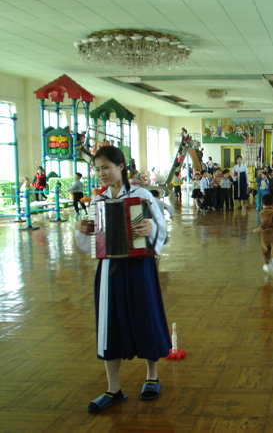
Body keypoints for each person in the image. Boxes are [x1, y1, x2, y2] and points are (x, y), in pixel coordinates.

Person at [74, 145, 170, 413]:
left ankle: (152, 376)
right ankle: (113, 389)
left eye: (106, 167)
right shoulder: (97, 202)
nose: (101, 173)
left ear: (121, 167)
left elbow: (160, 230)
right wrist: (80, 228)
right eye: (97, 169)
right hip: (109, 269)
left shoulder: (141, 196)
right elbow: (87, 244)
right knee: (109, 322)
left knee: (146, 316)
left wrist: (151, 227)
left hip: (139, 266)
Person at [252, 193, 273, 275]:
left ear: (261, 204)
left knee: (265, 250)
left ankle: (266, 265)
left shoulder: (262, 212)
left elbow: (266, 221)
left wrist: (259, 228)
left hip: (265, 234)